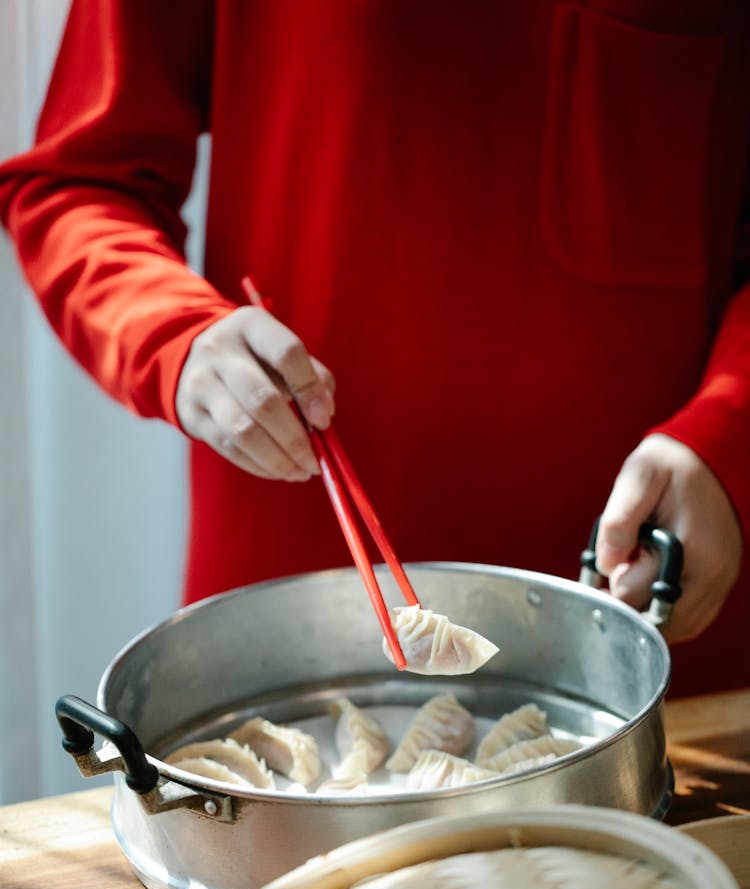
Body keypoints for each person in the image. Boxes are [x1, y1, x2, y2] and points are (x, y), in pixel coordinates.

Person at [1, 1, 748, 698]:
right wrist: (173, 334)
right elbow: (76, 181)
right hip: (294, 644)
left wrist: (733, 432)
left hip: (664, 612)